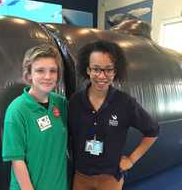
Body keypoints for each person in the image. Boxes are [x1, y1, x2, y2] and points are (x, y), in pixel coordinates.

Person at [68, 40, 159, 190]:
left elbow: (153, 131)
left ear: (115, 71)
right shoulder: (75, 102)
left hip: (111, 179)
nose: (102, 76)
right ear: (88, 70)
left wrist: (131, 160)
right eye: (96, 69)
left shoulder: (125, 102)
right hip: (81, 177)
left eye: (108, 70)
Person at [2, 44, 68, 190]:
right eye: (40, 71)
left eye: (53, 71)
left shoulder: (60, 103)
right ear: (29, 75)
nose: (47, 76)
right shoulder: (17, 110)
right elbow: (17, 160)